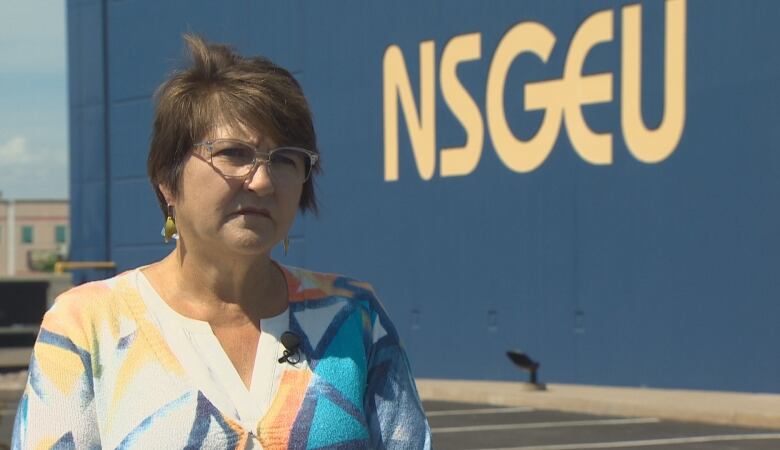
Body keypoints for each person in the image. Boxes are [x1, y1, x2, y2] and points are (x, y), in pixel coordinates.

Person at [12, 35, 431, 449]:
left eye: (285, 159)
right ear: (166, 180)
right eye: (233, 153)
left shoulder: (355, 319)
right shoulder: (87, 326)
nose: (263, 180)